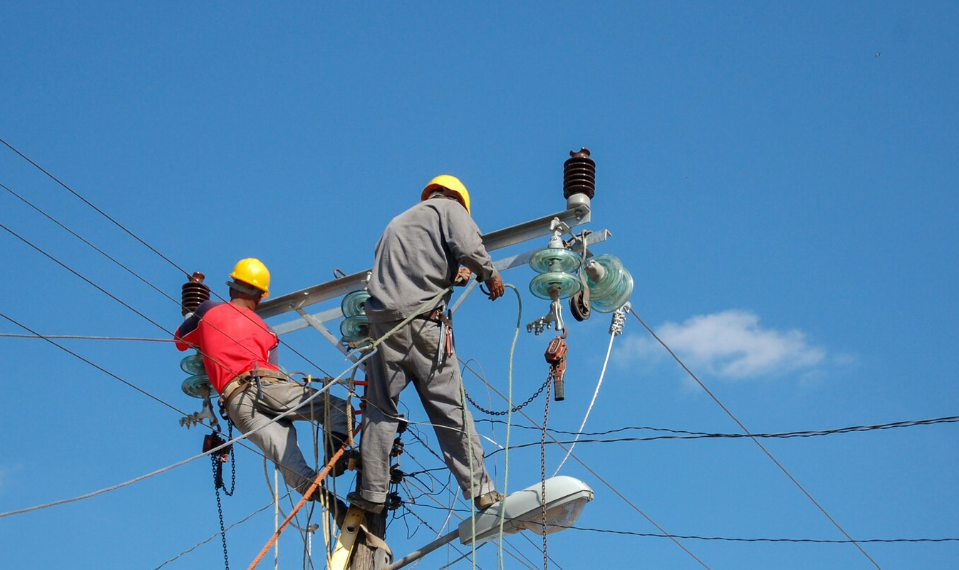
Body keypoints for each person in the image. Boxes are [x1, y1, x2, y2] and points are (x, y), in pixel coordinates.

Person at [348, 175, 506, 514]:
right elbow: (469, 246)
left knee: (379, 410)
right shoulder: (449, 209)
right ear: (455, 197)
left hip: (384, 329)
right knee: (450, 409)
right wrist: (489, 273)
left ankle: (372, 494)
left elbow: (408, 272)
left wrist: (450, 275)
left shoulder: (397, 223)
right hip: (425, 326)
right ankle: (481, 490)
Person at [175, 258, 352, 500]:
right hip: (266, 387)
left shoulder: (208, 311)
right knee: (337, 408)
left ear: (231, 288)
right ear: (260, 297)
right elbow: (274, 373)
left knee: (287, 461)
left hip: (237, 405)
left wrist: (193, 306)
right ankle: (337, 458)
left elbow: (181, 339)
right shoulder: (269, 332)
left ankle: (332, 506)